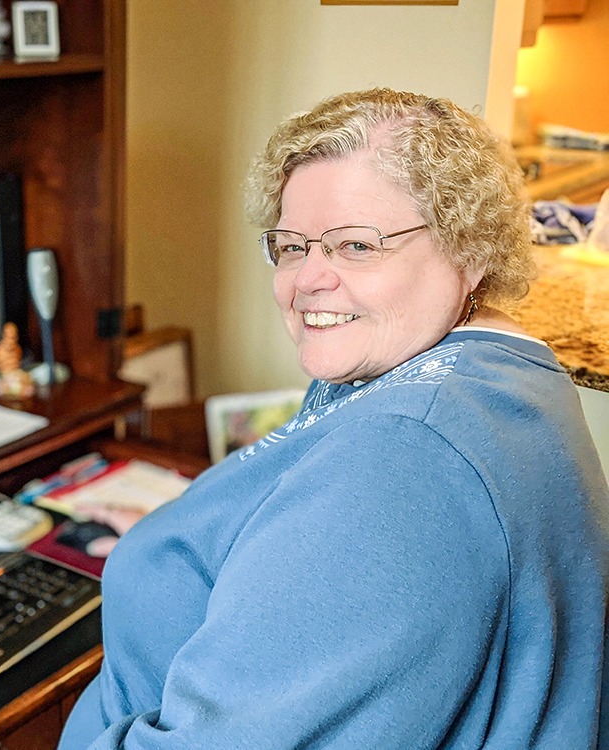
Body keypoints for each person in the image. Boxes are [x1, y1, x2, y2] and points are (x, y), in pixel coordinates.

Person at [58, 88, 609, 749]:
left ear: (472, 249)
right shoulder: (508, 371)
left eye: (356, 245)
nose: (308, 279)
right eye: (292, 246)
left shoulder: (402, 462)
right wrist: (208, 540)